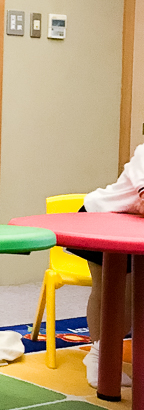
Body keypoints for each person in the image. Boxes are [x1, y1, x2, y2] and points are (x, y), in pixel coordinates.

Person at [67, 143, 142, 389]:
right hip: (102, 217)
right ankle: (99, 356)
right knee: (110, 291)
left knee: (132, 297)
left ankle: (107, 352)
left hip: (132, 227)